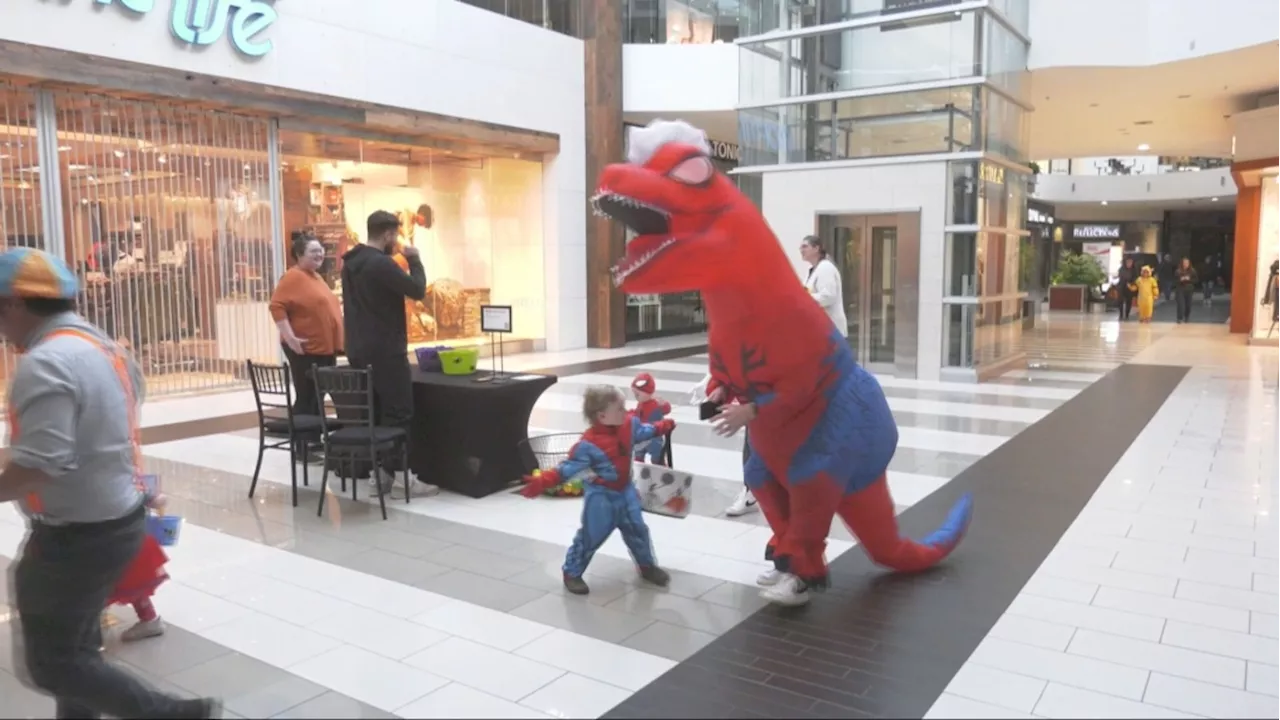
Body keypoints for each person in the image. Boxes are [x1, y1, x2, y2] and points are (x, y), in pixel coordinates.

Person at [0, 248, 220, 718]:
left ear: (14, 304)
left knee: (54, 663)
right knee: (78, 651)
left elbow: (42, 464)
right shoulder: (105, 348)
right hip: (118, 520)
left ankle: (174, 715)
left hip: (75, 537)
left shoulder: (45, 362)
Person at [519, 386, 675, 595]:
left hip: (626, 491)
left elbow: (643, 431)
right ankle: (572, 572)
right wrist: (544, 481)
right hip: (601, 497)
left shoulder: (628, 424)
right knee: (591, 536)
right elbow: (568, 468)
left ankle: (646, 566)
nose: (625, 410)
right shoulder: (587, 445)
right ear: (602, 416)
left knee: (637, 529)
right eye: (619, 408)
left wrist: (662, 426)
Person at [342, 210, 429, 495]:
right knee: (400, 411)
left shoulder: (350, 263)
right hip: (386, 350)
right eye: (396, 235)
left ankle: (381, 475)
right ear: (389, 234)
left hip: (359, 348)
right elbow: (416, 290)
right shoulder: (380, 264)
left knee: (376, 412)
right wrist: (414, 259)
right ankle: (405, 477)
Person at [270, 231, 342, 416]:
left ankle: (314, 437)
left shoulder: (315, 276)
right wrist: (290, 337)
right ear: (300, 255)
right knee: (307, 396)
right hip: (306, 349)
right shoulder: (293, 277)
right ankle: (304, 441)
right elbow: (277, 306)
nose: (320, 254)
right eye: (314, 251)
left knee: (317, 396)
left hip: (324, 348)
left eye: (321, 250)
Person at [104, 487, 171, 642]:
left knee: (104, 589)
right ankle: (149, 619)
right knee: (134, 584)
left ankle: (85, 629)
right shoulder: (119, 476)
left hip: (110, 545)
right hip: (131, 541)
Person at [800, 235, 848, 337]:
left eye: (805, 246)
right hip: (819, 330)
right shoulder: (812, 270)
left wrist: (803, 298)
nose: (801, 250)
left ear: (816, 248)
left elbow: (828, 296)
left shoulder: (826, 268)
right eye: (801, 247)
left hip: (830, 331)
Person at [631, 372, 671, 465]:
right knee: (638, 456)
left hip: (655, 437)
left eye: (637, 395)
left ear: (648, 392)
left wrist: (664, 404)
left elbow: (666, 409)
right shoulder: (640, 404)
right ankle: (639, 471)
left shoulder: (656, 403)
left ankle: (660, 470)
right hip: (642, 435)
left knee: (657, 458)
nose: (636, 397)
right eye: (635, 394)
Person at [1175, 257, 1198, 323]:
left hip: (1189, 290)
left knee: (1188, 305)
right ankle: (1179, 318)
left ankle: (1187, 317)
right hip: (1180, 289)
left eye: (1187, 263)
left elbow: (1196, 280)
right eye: (1184, 263)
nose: (1185, 264)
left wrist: (1189, 279)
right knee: (1181, 305)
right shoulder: (1178, 271)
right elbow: (1175, 281)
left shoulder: (1192, 271)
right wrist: (1180, 280)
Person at [1116, 256, 1137, 321]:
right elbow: (1120, 276)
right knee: (1120, 301)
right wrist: (1125, 281)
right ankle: (1121, 314)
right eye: (1128, 262)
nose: (1129, 264)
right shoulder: (1121, 269)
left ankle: (1127, 314)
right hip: (1122, 286)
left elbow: (1135, 277)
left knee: (1129, 301)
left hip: (1130, 287)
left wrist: (1131, 283)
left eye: (1131, 262)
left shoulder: (1134, 270)